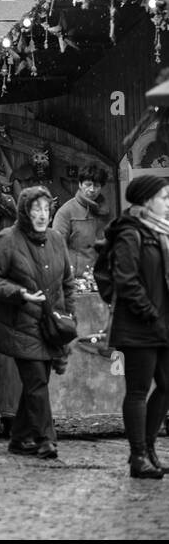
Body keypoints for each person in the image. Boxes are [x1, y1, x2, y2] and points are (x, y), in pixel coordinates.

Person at [0, 187, 74, 460]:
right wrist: (19, 294)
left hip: (49, 325)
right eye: (36, 209)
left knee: (39, 381)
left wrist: (70, 317)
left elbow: (67, 283)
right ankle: (47, 439)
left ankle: (20, 438)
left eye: (46, 209)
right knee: (36, 382)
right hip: (19, 324)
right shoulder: (7, 240)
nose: (42, 215)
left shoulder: (57, 239)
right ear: (25, 211)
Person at [106, 175, 169, 479]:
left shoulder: (159, 232)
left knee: (167, 386)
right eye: (164, 198)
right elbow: (126, 280)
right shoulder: (130, 232)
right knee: (138, 390)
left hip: (161, 324)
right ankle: (138, 456)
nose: (168, 204)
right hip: (139, 325)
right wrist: (150, 313)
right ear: (147, 201)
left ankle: (150, 449)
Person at [52, 165, 110, 275]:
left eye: (96, 185)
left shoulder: (106, 211)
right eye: (88, 185)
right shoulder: (66, 212)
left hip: (102, 273)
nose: (92, 189)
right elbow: (56, 248)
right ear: (80, 184)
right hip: (77, 276)